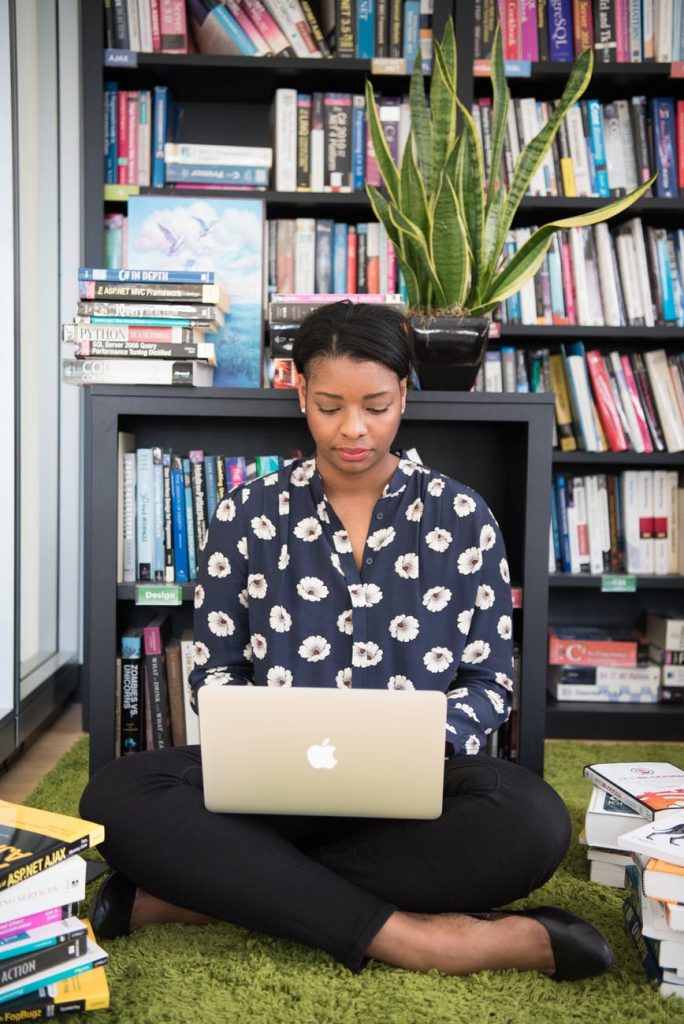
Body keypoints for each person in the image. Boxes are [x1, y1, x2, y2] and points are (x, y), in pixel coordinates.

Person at [81, 301, 613, 981]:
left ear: (404, 396)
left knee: (533, 823)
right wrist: (260, 736)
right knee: (118, 796)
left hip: (415, 799)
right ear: (298, 389)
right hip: (270, 795)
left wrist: (420, 741)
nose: (354, 429)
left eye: (377, 405)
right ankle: (427, 942)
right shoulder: (244, 514)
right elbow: (215, 669)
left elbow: (491, 683)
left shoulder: (463, 514)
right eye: (329, 405)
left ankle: (204, 894)